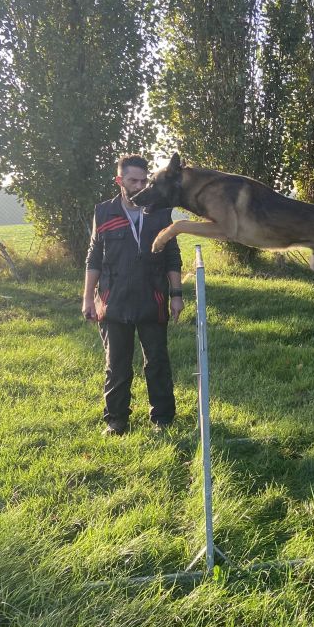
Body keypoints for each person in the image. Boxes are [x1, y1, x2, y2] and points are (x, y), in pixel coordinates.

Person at [82, 154, 184, 435]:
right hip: (114, 301)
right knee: (117, 365)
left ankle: (162, 419)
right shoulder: (103, 212)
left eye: (143, 180)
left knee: (157, 362)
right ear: (119, 181)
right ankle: (116, 421)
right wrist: (88, 298)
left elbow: (172, 255)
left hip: (153, 298)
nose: (139, 185)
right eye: (133, 180)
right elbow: (94, 258)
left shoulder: (160, 211)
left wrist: (176, 294)